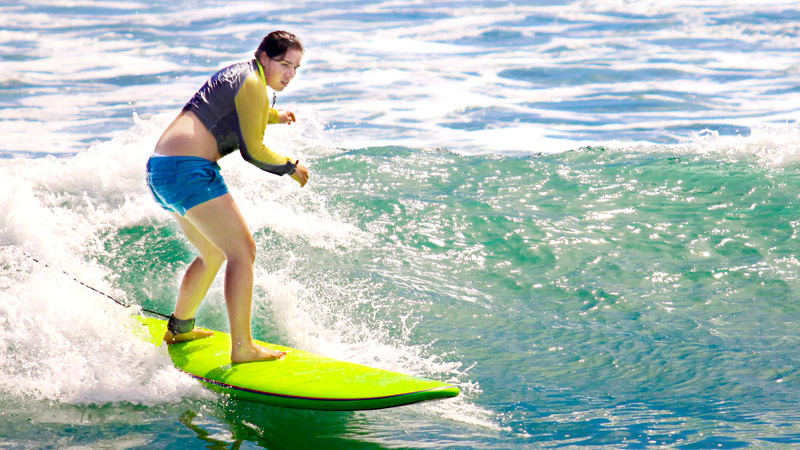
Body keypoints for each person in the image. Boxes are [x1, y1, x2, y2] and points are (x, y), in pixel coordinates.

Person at [145, 30, 308, 363]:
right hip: (188, 170)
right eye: (284, 64)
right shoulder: (252, 85)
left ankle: (179, 328)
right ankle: (243, 348)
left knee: (213, 253)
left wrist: (277, 116)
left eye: (296, 68)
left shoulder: (240, 74)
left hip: (161, 169)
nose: (289, 74)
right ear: (264, 58)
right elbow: (254, 152)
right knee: (242, 252)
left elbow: (232, 112)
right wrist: (291, 167)